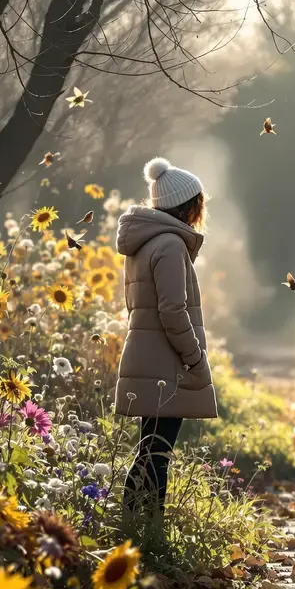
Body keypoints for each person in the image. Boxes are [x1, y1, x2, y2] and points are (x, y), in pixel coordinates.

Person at [114, 156, 217, 521]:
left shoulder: (145, 242)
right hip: (167, 362)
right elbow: (173, 311)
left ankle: (132, 524)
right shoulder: (170, 245)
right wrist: (194, 357)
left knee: (149, 449)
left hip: (147, 357)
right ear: (188, 205)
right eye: (199, 202)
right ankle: (149, 530)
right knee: (157, 453)